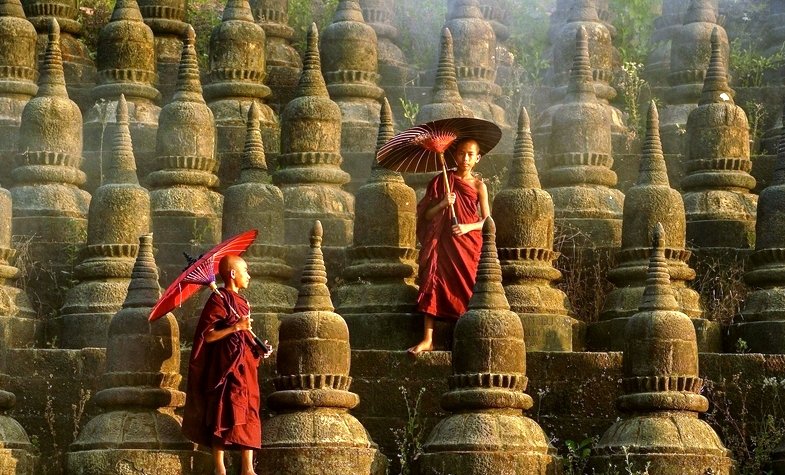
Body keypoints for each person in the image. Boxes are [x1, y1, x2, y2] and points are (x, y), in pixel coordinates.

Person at [182, 254, 270, 475]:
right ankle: (219, 468)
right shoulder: (218, 299)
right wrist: (235, 328)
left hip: (245, 365)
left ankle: (247, 468)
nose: (249, 275)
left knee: (250, 409)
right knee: (223, 409)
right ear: (232, 274)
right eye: (245, 271)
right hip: (225, 366)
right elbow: (208, 336)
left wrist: (258, 348)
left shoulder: (243, 302)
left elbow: (244, 334)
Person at [407, 138, 490, 354]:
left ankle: (467, 336)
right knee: (432, 283)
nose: (465, 158)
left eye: (470, 154)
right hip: (443, 243)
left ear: (478, 158)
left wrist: (466, 227)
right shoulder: (442, 181)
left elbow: (487, 222)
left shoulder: (479, 186)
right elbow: (426, 214)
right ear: (454, 155)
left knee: (469, 287)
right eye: (461, 153)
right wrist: (444, 203)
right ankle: (427, 339)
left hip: (468, 244)